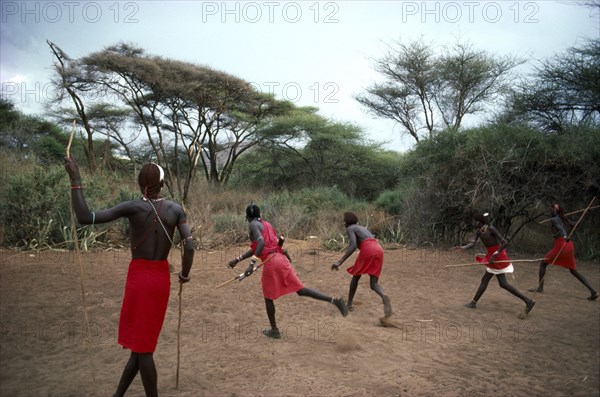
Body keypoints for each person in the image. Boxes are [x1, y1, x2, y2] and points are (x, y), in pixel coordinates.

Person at [64, 157, 194, 397]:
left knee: (143, 348)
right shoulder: (176, 210)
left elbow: (85, 217)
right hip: (160, 281)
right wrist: (185, 274)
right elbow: (190, 246)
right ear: (162, 185)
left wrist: (76, 179)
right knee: (141, 345)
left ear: (139, 184)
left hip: (139, 280)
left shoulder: (133, 207)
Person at [227, 204, 348, 339]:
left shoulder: (253, 225)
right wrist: (238, 259)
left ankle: (274, 330)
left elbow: (260, 243)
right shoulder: (267, 224)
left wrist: (251, 264)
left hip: (271, 262)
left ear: (247, 217)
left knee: (268, 298)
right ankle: (334, 300)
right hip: (280, 259)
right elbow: (263, 246)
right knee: (301, 290)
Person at [456, 213, 535, 314]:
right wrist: (463, 247)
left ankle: (528, 301)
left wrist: (495, 254)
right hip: (492, 257)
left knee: (499, 282)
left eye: (473, 221)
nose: (472, 222)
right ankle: (473, 303)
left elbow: (505, 242)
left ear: (478, 221)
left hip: (498, 256)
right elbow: (472, 243)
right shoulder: (479, 231)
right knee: (498, 282)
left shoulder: (491, 229)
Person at [529, 204, 598, 300]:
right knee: (573, 271)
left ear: (557, 210)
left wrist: (565, 236)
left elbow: (560, 229)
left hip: (562, 245)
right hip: (569, 246)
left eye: (553, 209)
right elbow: (575, 224)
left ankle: (540, 288)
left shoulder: (554, 219)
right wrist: (586, 214)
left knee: (543, 263)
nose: (551, 210)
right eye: (550, 209)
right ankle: (593, 291)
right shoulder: (562, 218)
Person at [331, 212, 392, 317]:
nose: (343, 223)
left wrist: (340, 261)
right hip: (378, 249)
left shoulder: (350, 228)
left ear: (346, 222)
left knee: (356, 276)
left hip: (368, 249)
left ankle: (349, 304)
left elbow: (353, 245)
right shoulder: (361, 228)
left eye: (344, 221)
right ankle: (383, 295)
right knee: (374, 284)